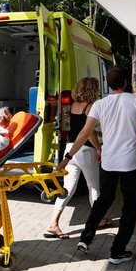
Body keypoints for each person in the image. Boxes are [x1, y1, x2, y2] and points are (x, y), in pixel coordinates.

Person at [57, 65, 136, 265]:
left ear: (109, 85)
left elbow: (84, 133)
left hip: (108, 162)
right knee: (130, 207)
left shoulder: (100, 104)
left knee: (103, 200)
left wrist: (67, 157)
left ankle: (85, 238)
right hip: (131, 163)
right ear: (126, 82)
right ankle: (117, 252)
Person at [44, 77, 111, 239]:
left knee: (68, 189)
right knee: (94, 187)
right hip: (85, 151)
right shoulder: (91, 106)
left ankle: (53, 223)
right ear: (93, 90)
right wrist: (99, 148)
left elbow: (70, 127)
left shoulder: (73, 105)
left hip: (70, 149)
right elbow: (89, 133)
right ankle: (99, 220)